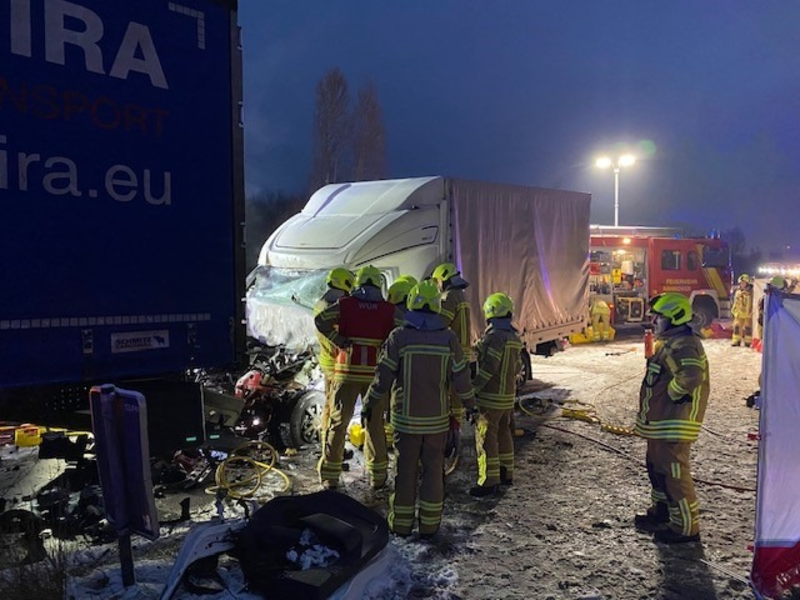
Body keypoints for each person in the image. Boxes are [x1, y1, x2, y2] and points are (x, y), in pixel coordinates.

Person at [361, 280, 475, 538]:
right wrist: (471, 405)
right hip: (436, 423)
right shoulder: (448, 338)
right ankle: (429, 525)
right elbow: (462, 378)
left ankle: (401, 525)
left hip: (405, 421)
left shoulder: (399, 337)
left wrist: (369, 403)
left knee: (405, 472)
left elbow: (382, 378)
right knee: (434, 471)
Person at [634, 293, 709, 544]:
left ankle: (685, 529)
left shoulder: (684, 344)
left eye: (659, 317)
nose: (654, 321)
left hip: (674, 424)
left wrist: (672, 395)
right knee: (657, 470)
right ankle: (662, 513)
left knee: (674, 475)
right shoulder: (670, 342)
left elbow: (691, 376)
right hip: (661, 423)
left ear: (674, 317)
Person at [314, 265, 398, 490]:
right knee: (375, 425)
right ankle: (378, 477)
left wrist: (339, 340)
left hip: (346, 372)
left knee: (338, 424)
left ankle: (330, 477)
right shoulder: (388, 309)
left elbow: (321, 320)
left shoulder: (345, 305)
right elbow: (403, 328)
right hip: (374, 376)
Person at [469, 293, 523, 497]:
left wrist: (474, 388)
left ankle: (489, 481)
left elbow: (489, 367)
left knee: (486, 439)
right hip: (507, 398)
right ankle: (506, 473)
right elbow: (516, 368)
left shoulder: (494, 338)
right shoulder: (514, 338)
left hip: (490, 398)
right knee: (504, 434)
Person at [313, 268, 355, 445]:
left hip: (327, 359)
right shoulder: (334, 306)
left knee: (330, 404)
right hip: (335, 362)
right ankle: (330, 446)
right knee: (335, 408)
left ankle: (329, 444)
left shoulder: (321, 302)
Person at [431, 263, 472, 423]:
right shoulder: (461, 295)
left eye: (437, 281)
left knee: (450, 394)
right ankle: (456, 427)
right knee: (457, 395)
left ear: (444, 280)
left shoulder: (449, 297)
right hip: (463, 351)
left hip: (452, 353)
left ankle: (451, 429)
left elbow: (440, 324)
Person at [731, 274, 754, 347]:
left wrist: (752, 312)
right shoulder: (738, 292)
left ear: (747, 283)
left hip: (748, 314)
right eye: (741, 283)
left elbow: (752, 302)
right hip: (739, 313)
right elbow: (735, 302)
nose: (742, 284)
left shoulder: (751, 293)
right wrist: (734, 310)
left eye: (744, 283)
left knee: (748, 328)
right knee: (736, 327)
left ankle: (748, 342)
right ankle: (736, 341)